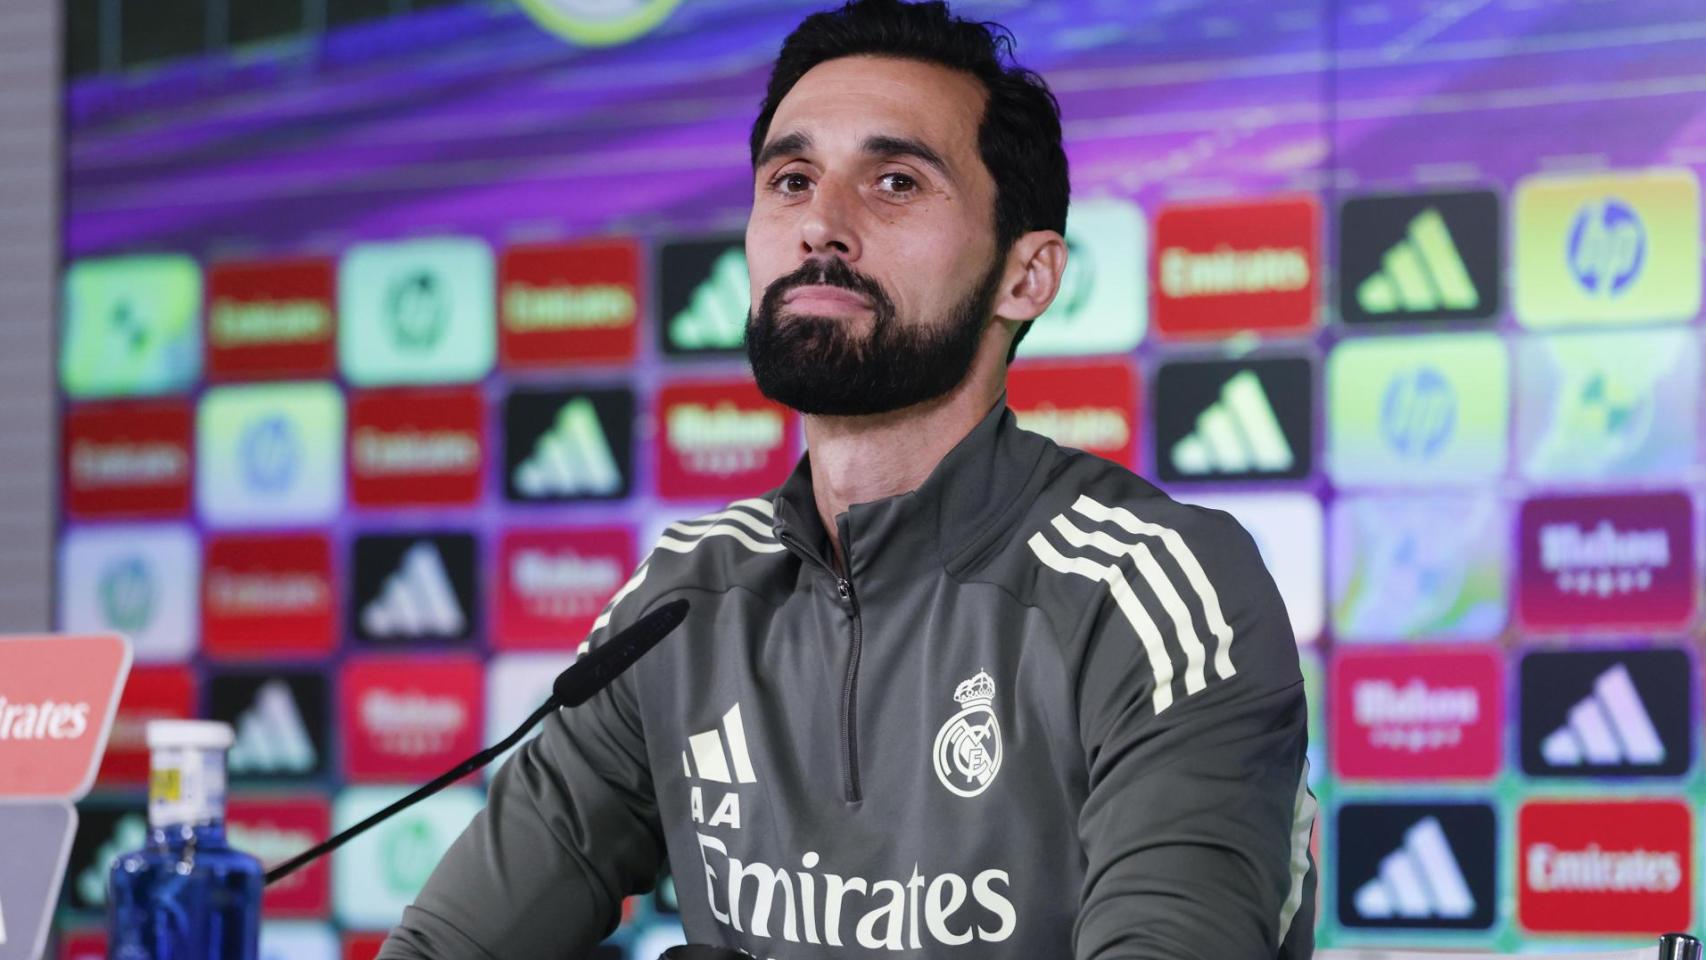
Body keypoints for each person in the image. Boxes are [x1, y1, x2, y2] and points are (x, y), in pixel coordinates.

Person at [378, 1, 1316, 956]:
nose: (821, 225)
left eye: (896, 182)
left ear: (1025, 277)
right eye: (791, 181)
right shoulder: (684, 600)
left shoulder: (1153, 593)